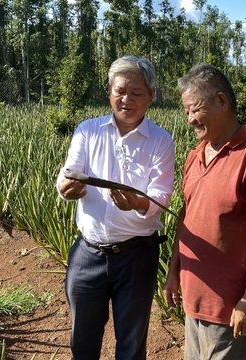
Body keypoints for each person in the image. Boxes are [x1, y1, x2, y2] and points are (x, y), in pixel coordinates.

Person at [57, 55, 175, 360]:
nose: (127, 99)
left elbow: (161, 197)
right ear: (109, 90)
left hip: (137, 256)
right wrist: (67, 190)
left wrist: (137, 202)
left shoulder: (161, 141)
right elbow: (68, 174)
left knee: (131, 345)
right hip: (88, 253)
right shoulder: (88, 130)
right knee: (82, 341)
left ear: (151, 95)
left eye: (136, 93)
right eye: (120, 91)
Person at [163, 64, 246, 359]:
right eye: (186, 111)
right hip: (193, 299)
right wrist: (174, 269)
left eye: (194, 110)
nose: (189, 119)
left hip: (229, 308)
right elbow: (187, 215)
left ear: (221, 101)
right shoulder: (195, 155)